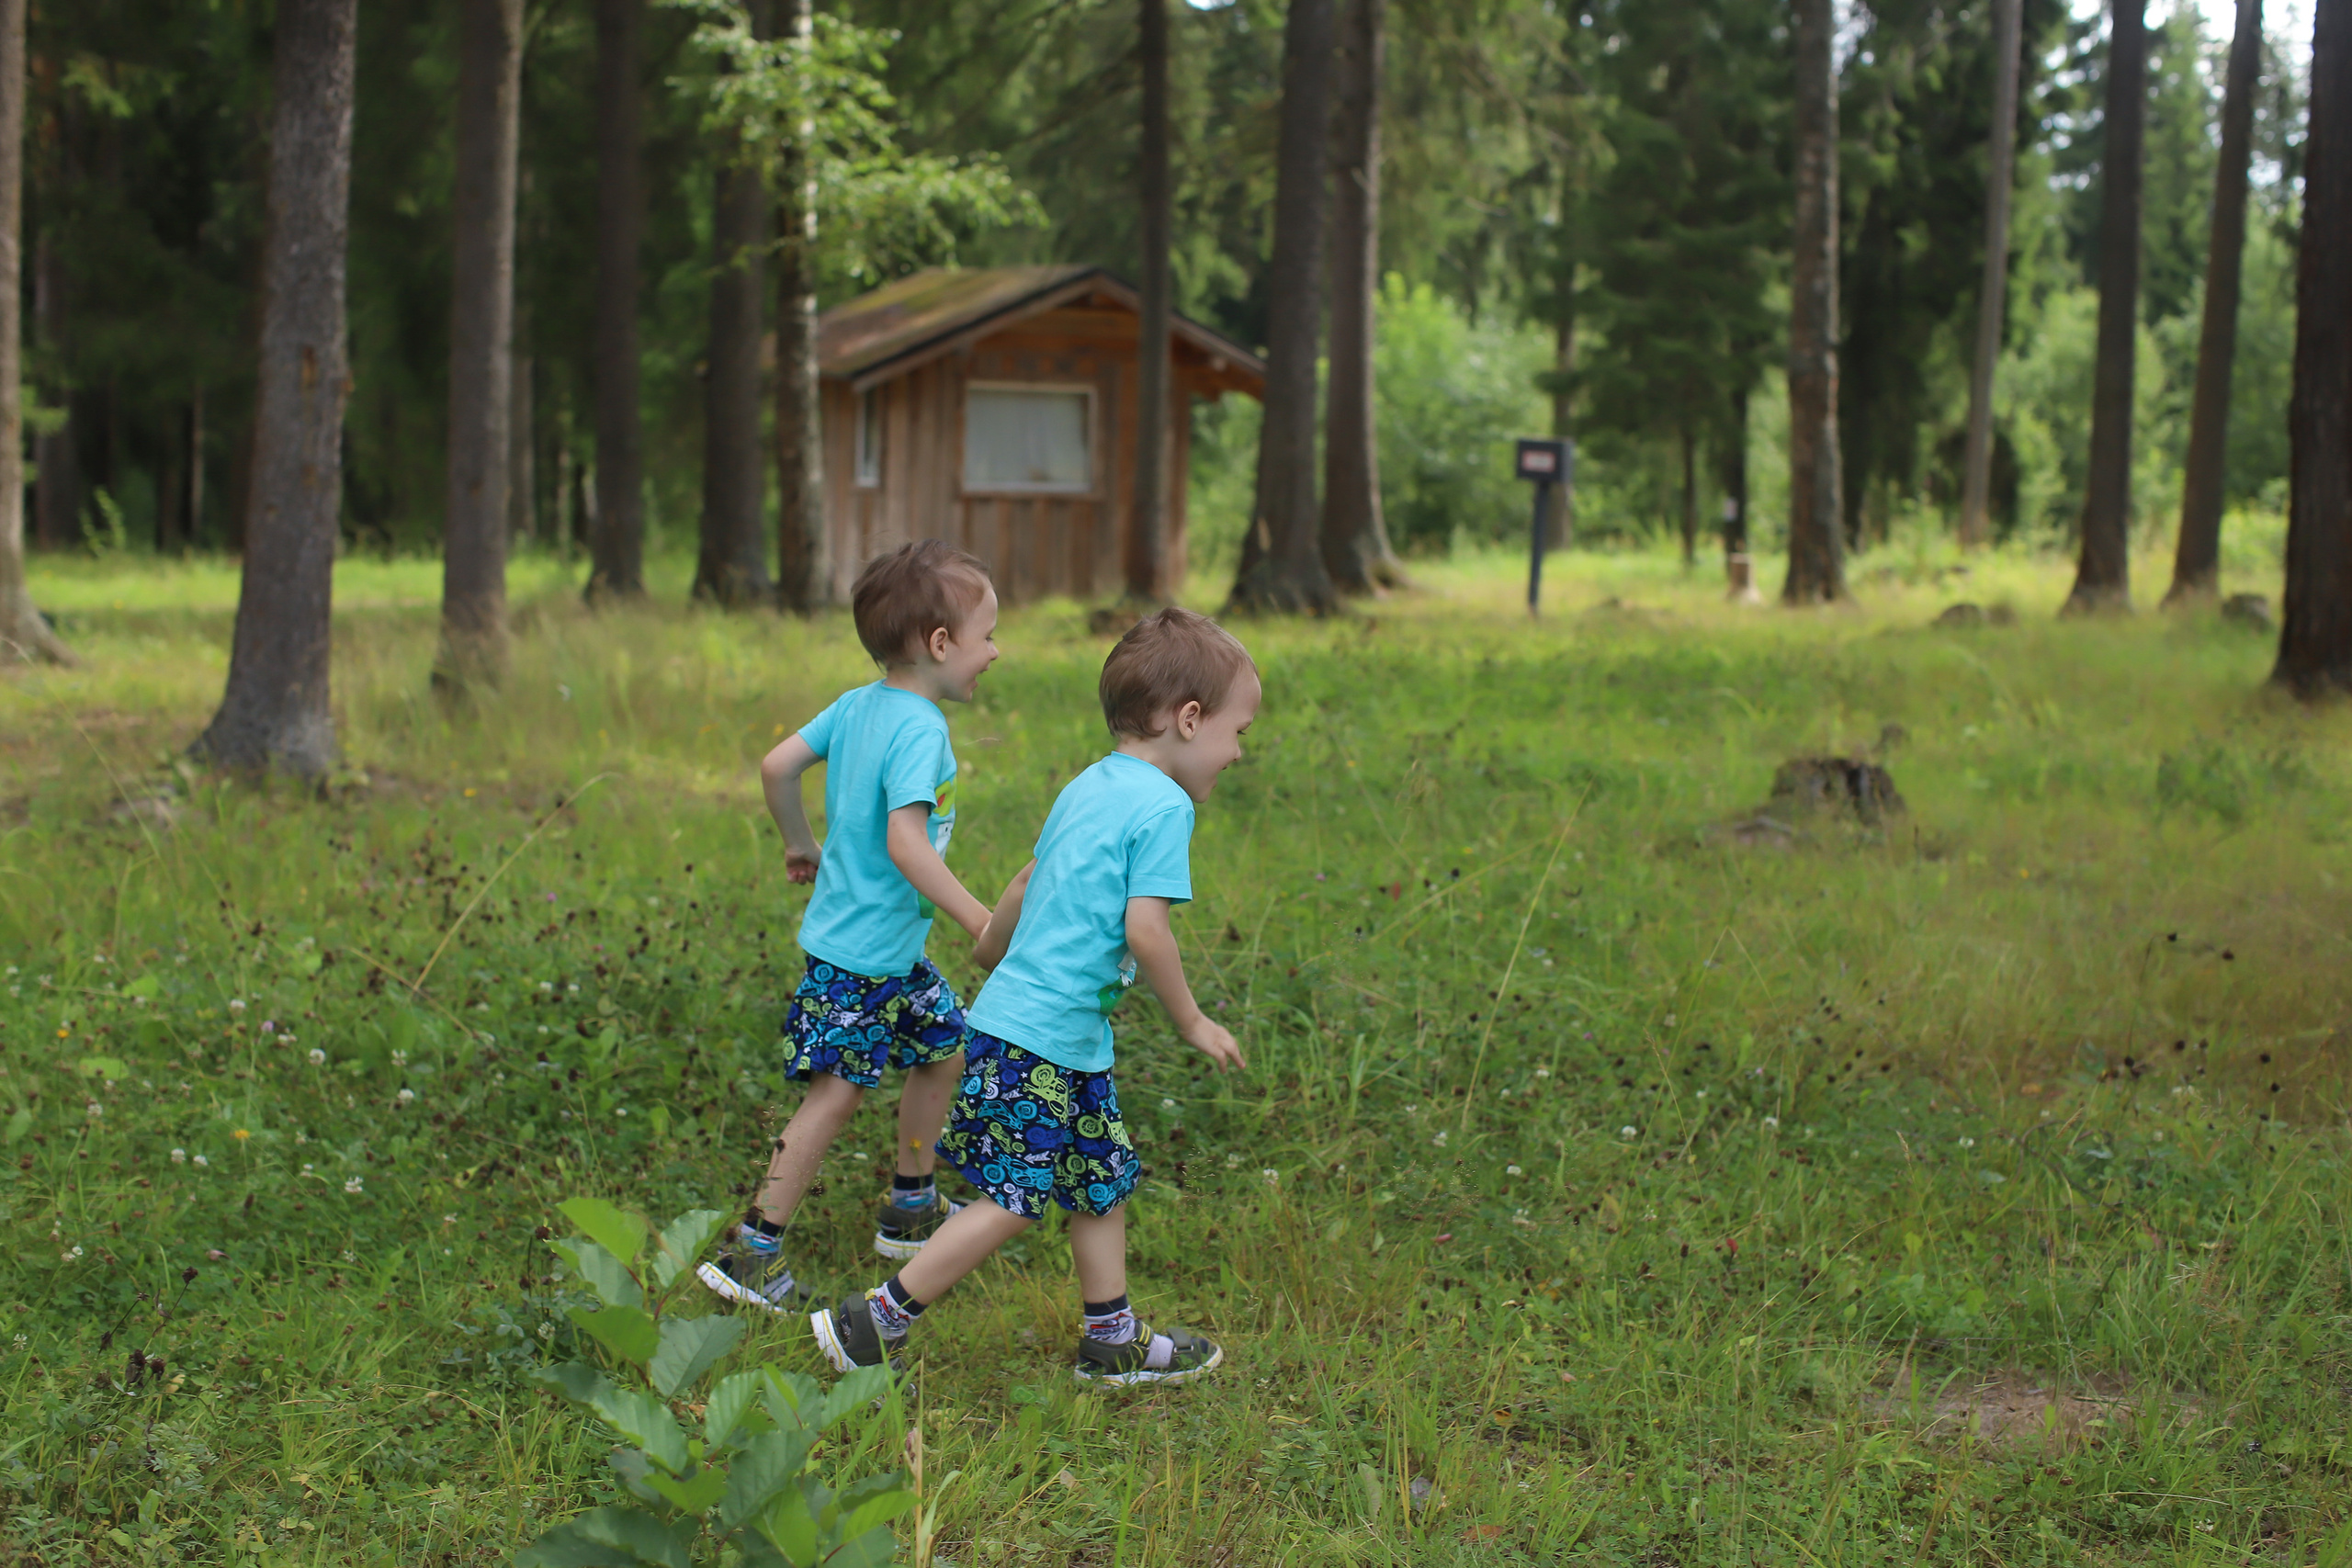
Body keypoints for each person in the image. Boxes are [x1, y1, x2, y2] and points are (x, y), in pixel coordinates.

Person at [809, 606, 1257, 1387]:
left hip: (1051, 1037)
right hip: (1041, 1038)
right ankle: (872, 1320)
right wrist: (1191, 1018)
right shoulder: (1165, 806)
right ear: (1190, 720)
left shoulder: (1090, 783)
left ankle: (1111, 1337)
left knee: (1100, 1177)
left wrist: (989, 947)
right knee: (1013, 1198)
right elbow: (1147, 930)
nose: (1240, 750)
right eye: (1238, 730)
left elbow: (1027, 876)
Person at [698, 541, 1001, 1314]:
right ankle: (751, 1252)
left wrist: (800, 842)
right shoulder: (921, 730)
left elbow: (776, 765)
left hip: (881, 952)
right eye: (987, 636)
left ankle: (910, 1202)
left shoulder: (857, 703)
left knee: (941, 1048)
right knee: (834, 1097)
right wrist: (977, 915)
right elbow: (906, 843)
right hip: (863, 959)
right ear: (941, 644)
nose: (994, 653)